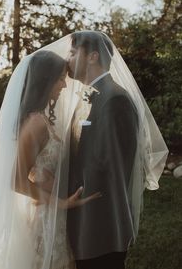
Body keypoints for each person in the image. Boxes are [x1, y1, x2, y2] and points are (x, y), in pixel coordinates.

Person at [0, 48, 100, 269]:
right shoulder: (36, 124)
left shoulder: (42, 118)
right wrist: (61, 203)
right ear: (45, 81)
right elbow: (16, 180)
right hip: (46, 215)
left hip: (51, 211)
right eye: (60, 79)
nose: (64, 85)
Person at [67, 31, 168, 269]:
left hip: (100, 223)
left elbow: (111, 166)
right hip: (86, 220)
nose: (67, 59)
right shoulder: (93, 96)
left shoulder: (115, 100)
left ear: (92, 56)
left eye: (72, 53)